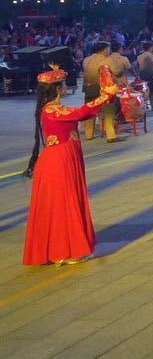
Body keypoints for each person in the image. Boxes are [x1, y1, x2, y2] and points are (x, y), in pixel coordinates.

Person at [23, 67, 116, 265]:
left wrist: (104, 97)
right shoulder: (51, 110)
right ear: (57, 89)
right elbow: (82, 112)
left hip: (63, 157)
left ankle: (61, 249)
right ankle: (63, 251)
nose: (65, 86)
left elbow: (82, 113)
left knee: (63, 203)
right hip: (59, 161)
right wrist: (105, 96)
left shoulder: (52, 108)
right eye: (63, 84)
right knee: (63, 204)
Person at [81, 42, 120, 143]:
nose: (109, 51)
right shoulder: (107, 60)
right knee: (108, 111)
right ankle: (110, 135)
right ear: (104, 50)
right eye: (108, 49)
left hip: (89, 89)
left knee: (89, 111)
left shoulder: (86, 60)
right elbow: (118, 72)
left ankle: (88, 135)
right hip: (104, 89)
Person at [136, 42, 153, 111]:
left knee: (144, 90)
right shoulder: (151, 56)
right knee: (152, 90)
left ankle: (144, 106)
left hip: (142, 75)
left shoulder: (139, 56)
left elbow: (137, 65)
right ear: (150, 48)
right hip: (151, 74)